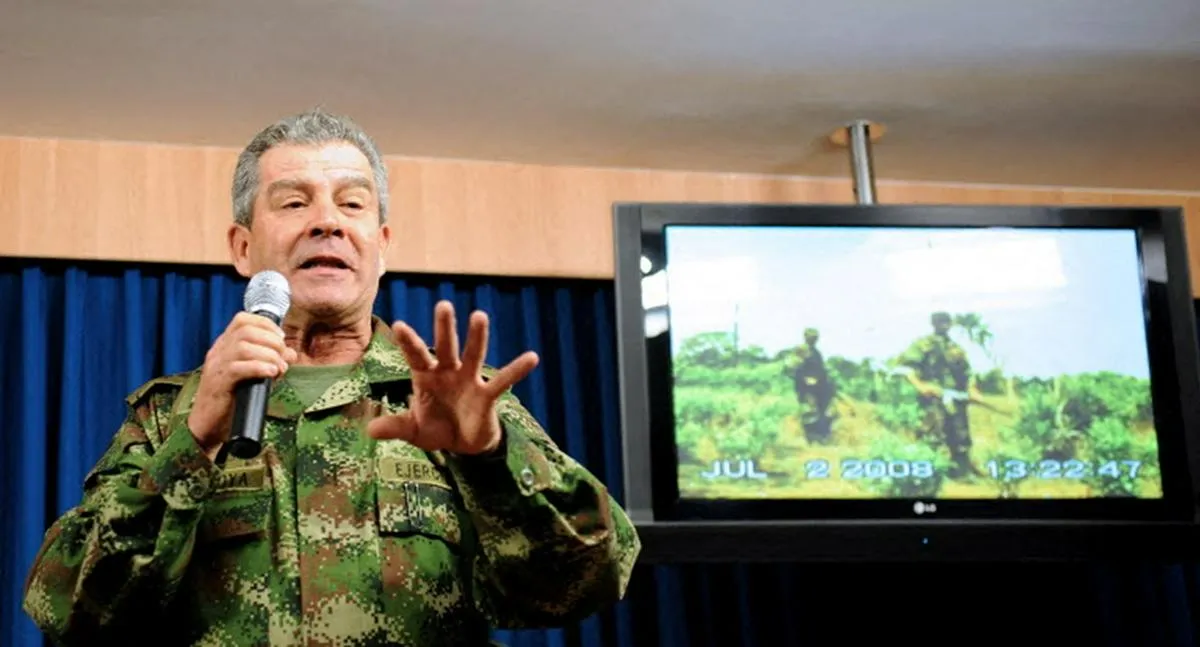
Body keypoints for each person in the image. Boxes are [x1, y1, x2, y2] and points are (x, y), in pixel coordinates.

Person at [22, 109, 641, 646]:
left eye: (352, 203)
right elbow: (71, 610)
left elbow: (591, 575)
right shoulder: (169, 414)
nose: (328, 222)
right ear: (243, 248)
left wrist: (490, 457)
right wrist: (195, 442)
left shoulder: (455, 400)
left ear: (381, 242)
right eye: (294, 203)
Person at [895, 311, 983, 478]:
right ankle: (927, 474)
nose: (944, 325)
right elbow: (907, 368)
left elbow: (968, 372)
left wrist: (972, 389)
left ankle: (961, 473)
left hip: (956, 398)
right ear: (933, 324)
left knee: (960, 436)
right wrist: (921, 386)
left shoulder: (956, 349)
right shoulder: (922, 345)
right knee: (931, 435)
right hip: (933, 398)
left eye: (946, 321)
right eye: (940, 322)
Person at [789, 328, 834, 444]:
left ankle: (822, 434)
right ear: (805, 337)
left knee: (824, 409)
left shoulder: (817, 353)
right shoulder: (801, 350)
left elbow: (821, 368)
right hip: (805, 385)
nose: (813, 339)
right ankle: (809, 435)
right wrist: (805, 378)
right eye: (811, 337)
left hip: (819, 385)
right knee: (809, 410)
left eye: (815, 337)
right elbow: (793, 366)